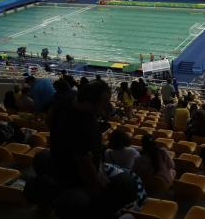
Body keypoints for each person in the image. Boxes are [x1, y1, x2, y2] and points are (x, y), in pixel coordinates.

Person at [47, 81, 138, 219]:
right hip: (74, 176)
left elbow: (49, 118)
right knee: (128, 185)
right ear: (91, 103)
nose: (107, 107)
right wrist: (98, 186)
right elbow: (84, 164)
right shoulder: (82, 127)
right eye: (104, 103)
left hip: (62, 163)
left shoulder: (68, 99)